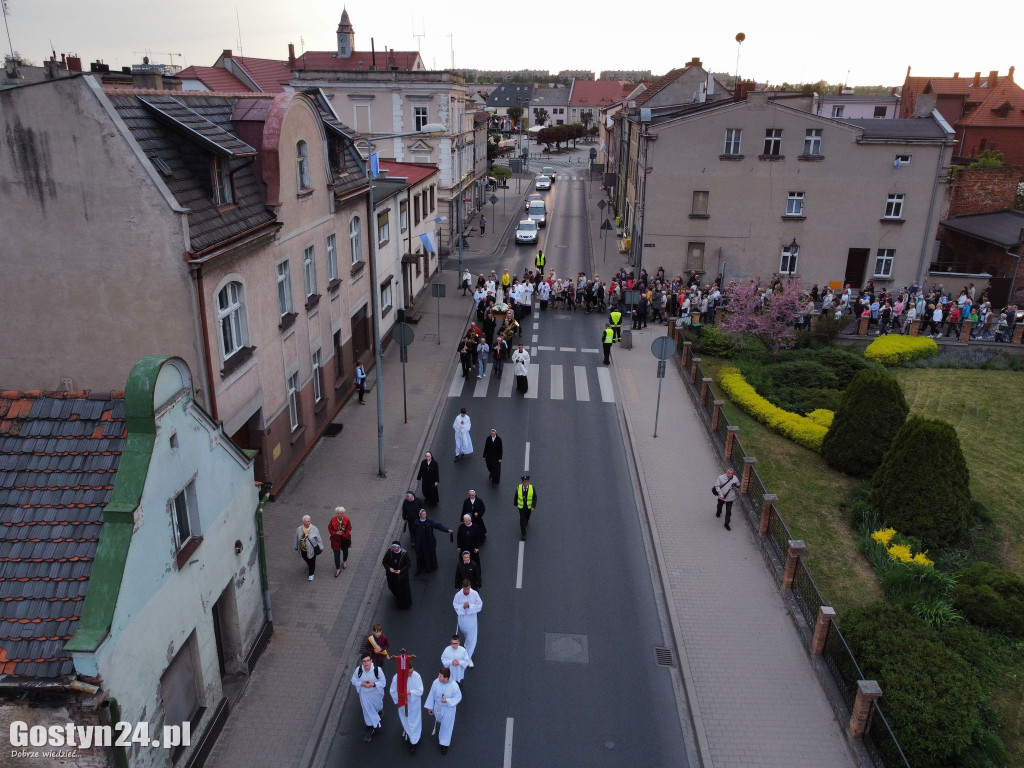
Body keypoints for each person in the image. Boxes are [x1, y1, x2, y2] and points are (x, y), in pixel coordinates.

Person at [425, 667, 463, 755]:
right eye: (439, 675)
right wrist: (430, 707)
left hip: (448, 709)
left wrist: (448, 700)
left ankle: (444, 744)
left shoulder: (454, 686)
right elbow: (431, 694)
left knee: (446, 726)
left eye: (440, 676)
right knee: (441, 722)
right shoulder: (436, 682)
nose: (438, 677)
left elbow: (458, 697)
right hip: (438, 707)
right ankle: (442, 737)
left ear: (446, 678)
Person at [390, 654, 424, 752]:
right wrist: (399, 699)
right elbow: (392, 691)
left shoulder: (416, 676)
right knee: (405, 719)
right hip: (402, 704)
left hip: (414, 704)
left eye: (412, 671)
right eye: (409, 673)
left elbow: (420, 690)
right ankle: (409, 733)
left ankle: (414, 741)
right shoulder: (396, 678)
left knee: (414, 721)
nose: (411, 674)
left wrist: (409, 693)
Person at [351, 653, 386, 742]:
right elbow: (353, 680)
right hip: (364, 695)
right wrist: (362, 684)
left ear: (371, 661)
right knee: (367, 711)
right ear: (362, 662)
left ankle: (379, 710)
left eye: (367, 660)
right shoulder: (358, 670)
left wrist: (373, 684)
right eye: (364, 661)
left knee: (377, 707)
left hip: (376, 694)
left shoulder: (378, 670)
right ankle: (370, 729)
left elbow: (383, 682)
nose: (366, 663)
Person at [410, 509, 454, 575]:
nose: (425, 515)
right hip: (420, 543)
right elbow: (413, 532)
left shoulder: (429, 521)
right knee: (419, 556)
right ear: (420, 515)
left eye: (425, 514)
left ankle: (429, 568)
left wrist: (447, 530)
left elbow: (438, 525)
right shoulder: (416, 522)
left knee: (429, 555)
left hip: (429, 542)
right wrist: (413, 541)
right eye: (423, 514)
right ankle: (419, 569)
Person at [453, 580, 483, 659]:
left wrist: (470, 606)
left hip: (472, 620)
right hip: (462, 620)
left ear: (470, 587)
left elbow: (479, 606)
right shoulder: (458, 596)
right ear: (462, 588)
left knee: (472, 640)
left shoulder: (475, 594)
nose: (466, 591)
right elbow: (455, 607)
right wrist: (463, 607)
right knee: (466, 634)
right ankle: (467, 641)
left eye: (468, 589)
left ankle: (468, 658)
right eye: (464, 589)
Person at [382, 541, 413, 608]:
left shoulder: (404, 554)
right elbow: (384, 562)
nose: (393, 548)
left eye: (394, 547)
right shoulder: (389, 552)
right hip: (391, 576)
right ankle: (396, 596)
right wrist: (389, 568)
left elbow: (408, 564)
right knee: (392, 587)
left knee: (403, 591)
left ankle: (403, 604)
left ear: (399, 547)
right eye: (392, 547)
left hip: (401, 577)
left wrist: (401, 571)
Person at [294, 515, 323, 581]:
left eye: (309, 521)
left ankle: (311, 574)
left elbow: (319, 538)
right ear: (303, 522)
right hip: (303, 549)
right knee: (305, 558)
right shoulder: (299, 529)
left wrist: (321, 546)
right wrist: (295, 546)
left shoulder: (314, 529)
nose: (307, 523)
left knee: (312, 561)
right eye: (306, 522)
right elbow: (296, 538)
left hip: (312, 549)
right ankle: (310, 566)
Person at [328, 506, 352, 577]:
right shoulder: (333, 520)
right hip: (335, 540)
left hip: (344, 540)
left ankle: (344, 561)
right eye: (338, 513)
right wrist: (335, 533)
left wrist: (343, 534)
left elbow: (349, 529)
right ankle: (338, 568)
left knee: (345, 552)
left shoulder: (347, 520)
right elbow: (329, 528)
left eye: (341, 513)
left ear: (343, 513)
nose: (339, 515)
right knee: (336, 555)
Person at [513, 475, 537, 540]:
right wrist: (515, 503)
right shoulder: (519, 487)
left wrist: (533, 506)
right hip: (521, 507)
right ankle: (523, 534)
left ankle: (527, 520)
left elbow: (534, 498)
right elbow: (516, 495)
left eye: (526, 482)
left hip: (529, 507)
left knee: (527, 516)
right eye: (524, 482)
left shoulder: (532, 488)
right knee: (522, 519)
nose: (525, 483)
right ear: (522, 483)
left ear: (528, 482)